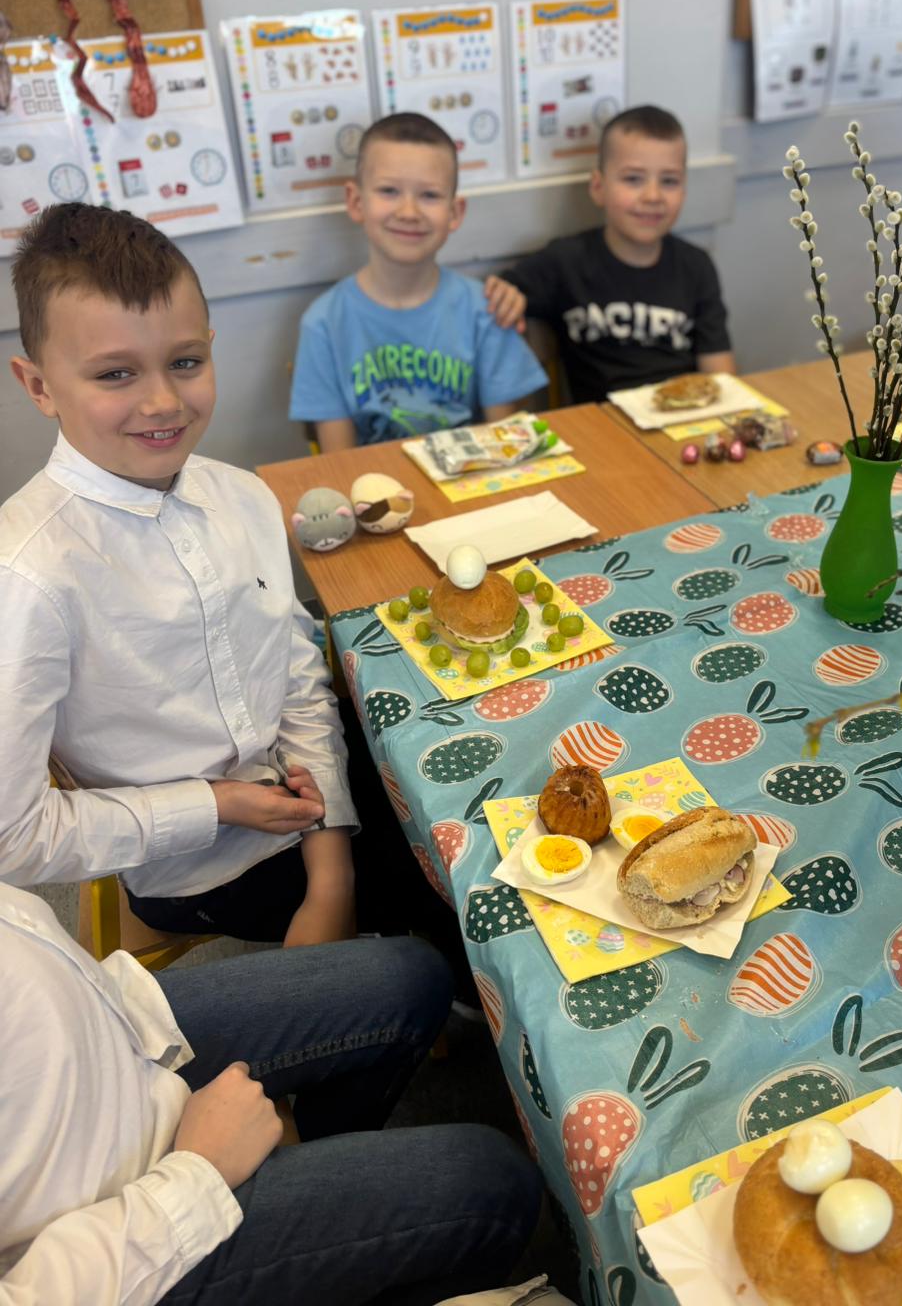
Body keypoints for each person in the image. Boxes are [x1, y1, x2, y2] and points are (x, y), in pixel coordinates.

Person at [1, 204, 359, 945]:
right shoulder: (30, 575)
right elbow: (15, 835)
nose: (163, 401)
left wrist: (332, 868)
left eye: (186, 362)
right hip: (198, 866)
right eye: (116, 373)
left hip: (306, 815)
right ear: (38, 386)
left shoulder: (245, 496)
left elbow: (295, 673)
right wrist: (216, 804)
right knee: (450, 912)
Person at [0, 881, 542, 1305]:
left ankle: (338, 1191)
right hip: (116, 1238)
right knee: (491, 1182)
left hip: (113, 1029)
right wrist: (199, 1173)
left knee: (413, 975)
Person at [289, 113, 547, 450]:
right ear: (356, 202)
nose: (409, 212)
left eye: (429, 195)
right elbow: (339, 462)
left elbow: (504, 445)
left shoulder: (487, 310)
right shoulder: (323, 324)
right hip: (372, 483)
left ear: (455, 212)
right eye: (389, 191)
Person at [486, 105, 736, 406]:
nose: (653, 196)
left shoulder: (696, 267)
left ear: (684, 190)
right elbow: (499, 294)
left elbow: (721, 377)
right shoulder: (565, 262)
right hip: (601, 421)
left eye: (669, 181)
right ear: (598, 187)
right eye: (633, 179)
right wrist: (505, 294)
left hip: (683, 416)